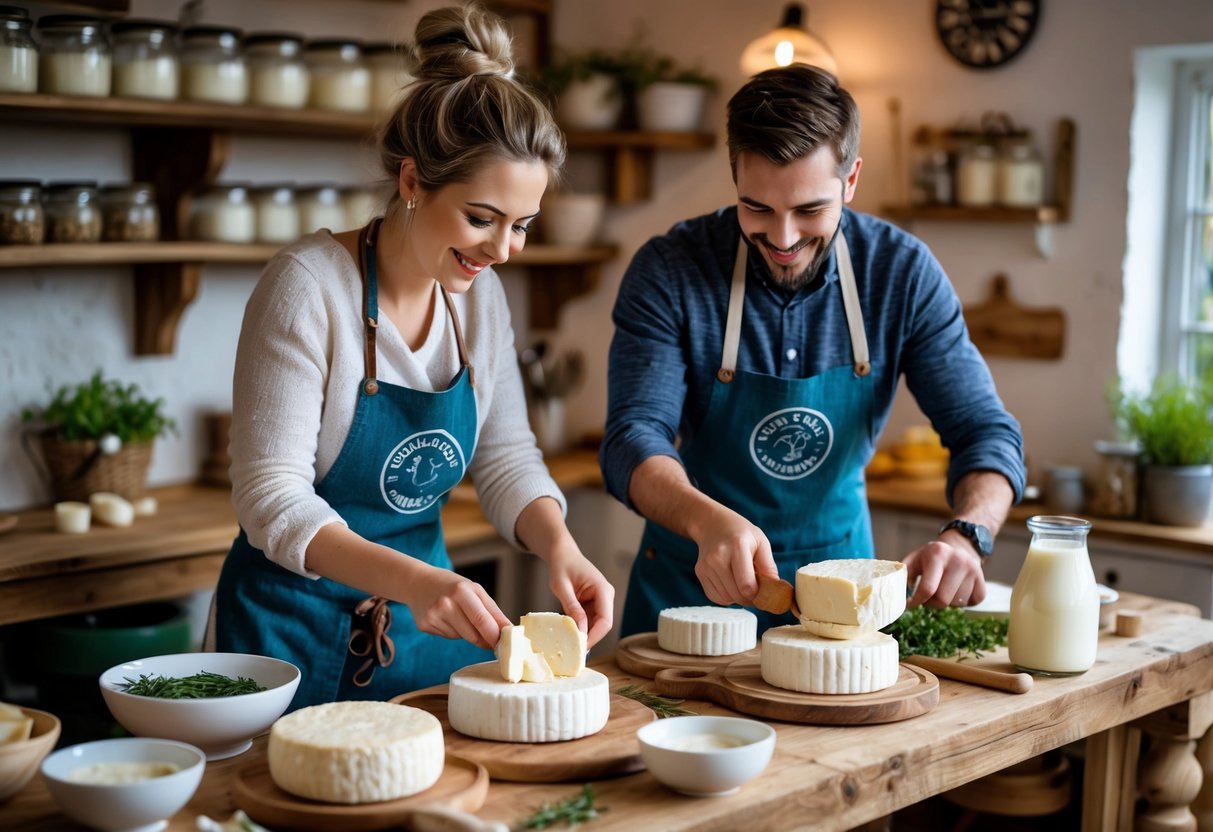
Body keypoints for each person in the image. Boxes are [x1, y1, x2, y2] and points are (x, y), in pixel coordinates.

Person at [212, 2, 613, 711]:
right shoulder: (307, 289)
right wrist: (418, 582)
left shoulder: (478, 297)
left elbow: (506, 455)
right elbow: (270, 502)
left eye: (522, 226)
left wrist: (559, 546)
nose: (502, 250)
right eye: (481, 219)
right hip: (284, 641)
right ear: (411, 181)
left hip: (422, 634)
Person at [600, 64, 1025, 637]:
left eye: (809, 210)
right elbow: (633, 437)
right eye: (758, 208)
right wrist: (705, 521)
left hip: (844, 604)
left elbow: (986, 433)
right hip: (694, 594)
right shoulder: (670, 269)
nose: (782, 239)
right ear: (734, 180)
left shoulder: (901, 274)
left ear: (850, 181)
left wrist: (968, 533)